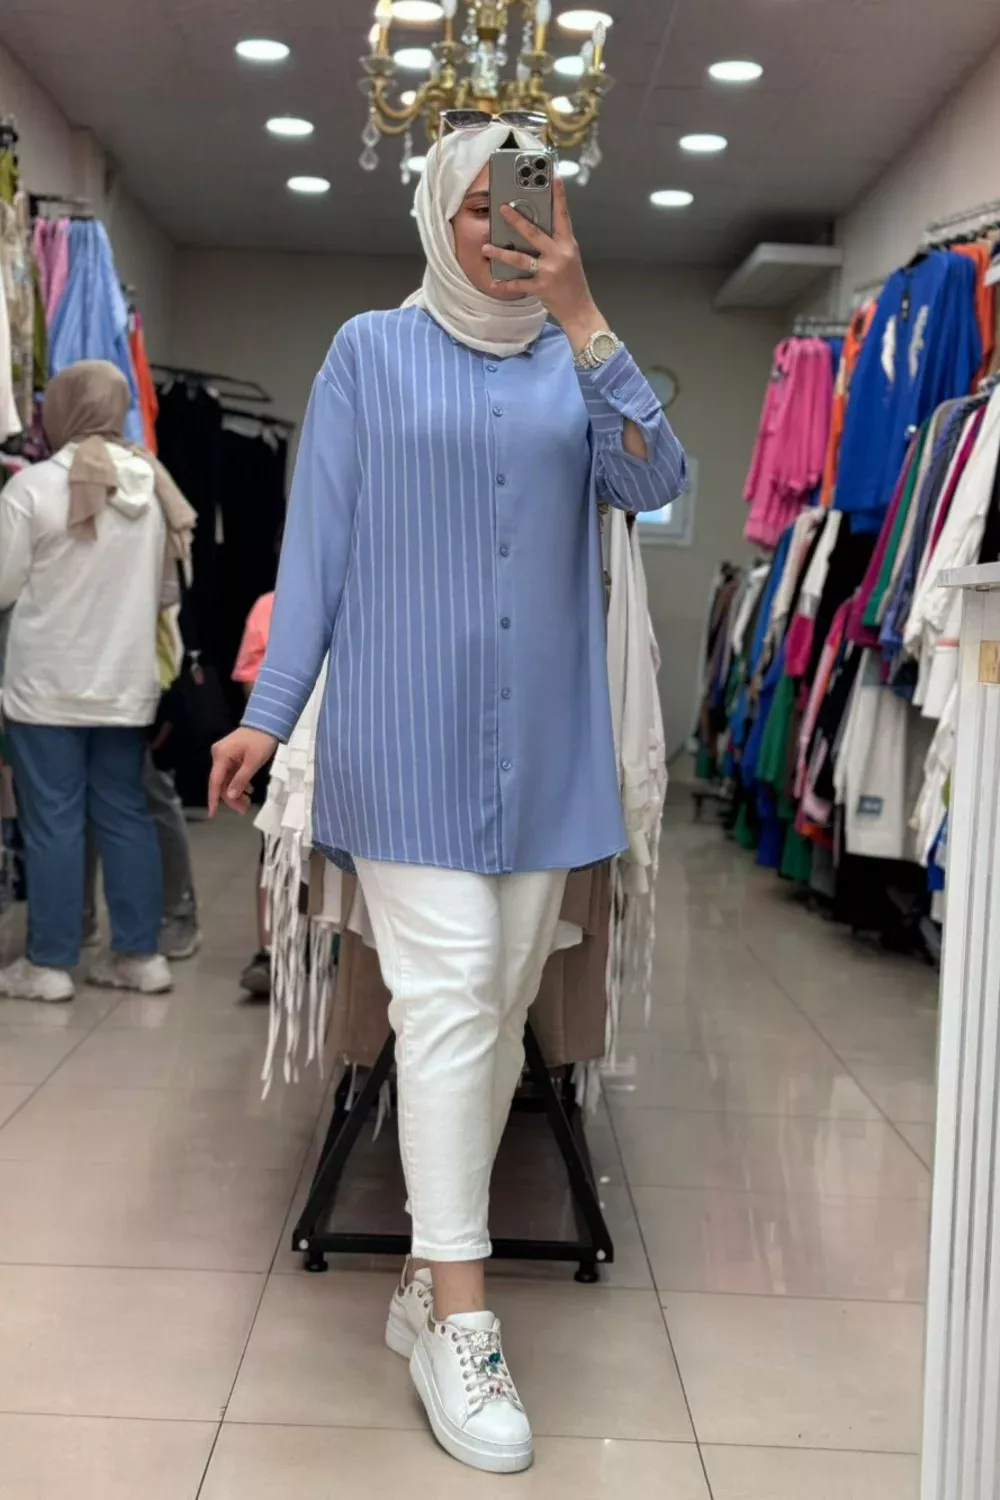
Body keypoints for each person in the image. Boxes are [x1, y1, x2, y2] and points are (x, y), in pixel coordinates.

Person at [209, 121, 686, 1475]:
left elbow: (657, 480)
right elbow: (317, 550)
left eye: (528, 207)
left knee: (495, 1008)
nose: (504, 230)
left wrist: (584, 317)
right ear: (435, 214)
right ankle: (464, 1323)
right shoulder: (368, 352)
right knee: (450, 995)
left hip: (548, 754)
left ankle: (427, 1282)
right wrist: (267, 714)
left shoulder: (577, 363)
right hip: (401, 744)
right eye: (479, 207)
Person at [0, 359, 195, 1002]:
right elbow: (166, 590)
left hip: (45, 686)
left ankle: (50, 964)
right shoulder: (153, 485)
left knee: (53, 822)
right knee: (124, 814)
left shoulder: (32, 488)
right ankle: (140, 956)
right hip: (124, 684)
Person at [230, 588, 274, 994]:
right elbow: (249, 677)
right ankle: (270, 950)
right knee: (273, 842)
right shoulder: (270, 604)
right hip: (287, 744)